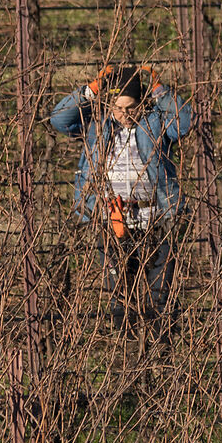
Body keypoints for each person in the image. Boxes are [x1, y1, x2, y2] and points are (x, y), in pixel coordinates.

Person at [49, 63, 195, 324]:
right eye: (118, 108)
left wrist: (160, 91)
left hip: (157, 218)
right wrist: (92, 89)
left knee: (160, 297)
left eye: (131, 107)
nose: (124, 114)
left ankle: (159, 344)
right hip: (111, 221)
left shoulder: (156, 123)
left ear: (142, 103)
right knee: (119, 296)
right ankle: (125, 343)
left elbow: (185, 122)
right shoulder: (97, 126)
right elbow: (59, 120)